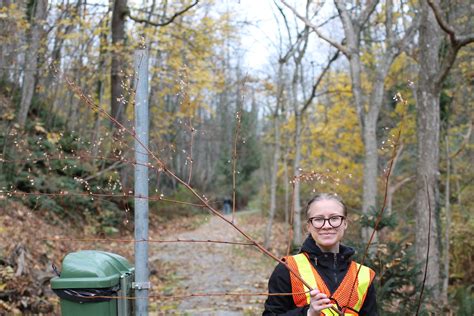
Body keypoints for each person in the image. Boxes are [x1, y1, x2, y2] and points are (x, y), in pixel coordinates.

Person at [263, 193, 378, 315]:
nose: (327, 226)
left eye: (334, 218)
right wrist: (308, 313)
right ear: (309, 226)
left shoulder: (363, 275)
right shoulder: (289, 269)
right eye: (318, 219)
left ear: (345, 223)